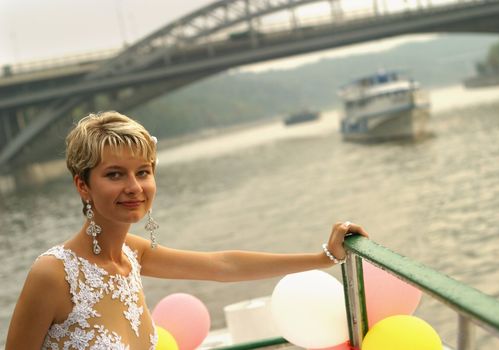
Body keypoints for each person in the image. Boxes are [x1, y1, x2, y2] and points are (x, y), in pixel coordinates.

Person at [6, 111, 369, 349]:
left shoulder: (132, 255)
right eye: (115, 174)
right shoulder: (53, 274)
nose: (134, 186)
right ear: (83, 185)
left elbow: (223, 266)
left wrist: (324, 257)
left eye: (143, 172)